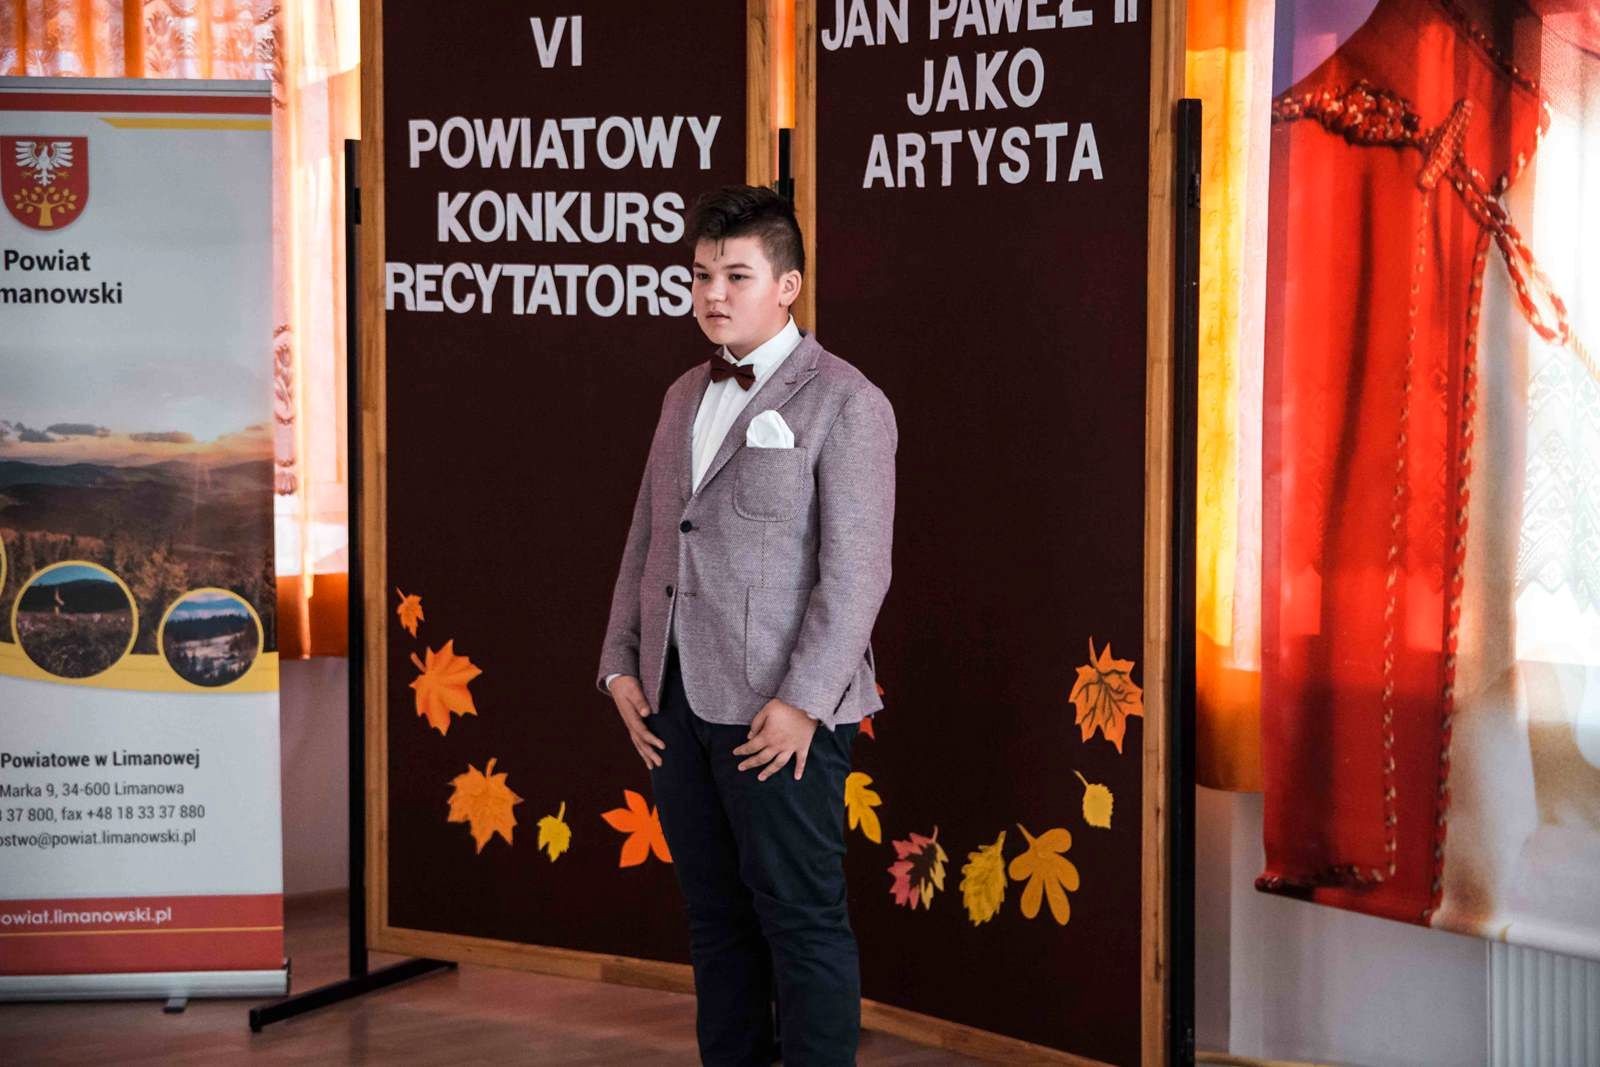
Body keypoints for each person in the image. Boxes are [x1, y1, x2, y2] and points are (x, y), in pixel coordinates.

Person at [596, 184, 896, 1065]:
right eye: (700, 275)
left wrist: (803, 702)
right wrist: (619, 664)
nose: (713, 294)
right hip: (676, 703)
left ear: (787, 285)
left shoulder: (848, 401)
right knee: (715, 920)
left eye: (736, 275)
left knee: (801, 922)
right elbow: (650, 536)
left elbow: (857, 572)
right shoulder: (681, 395)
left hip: (781, 716)